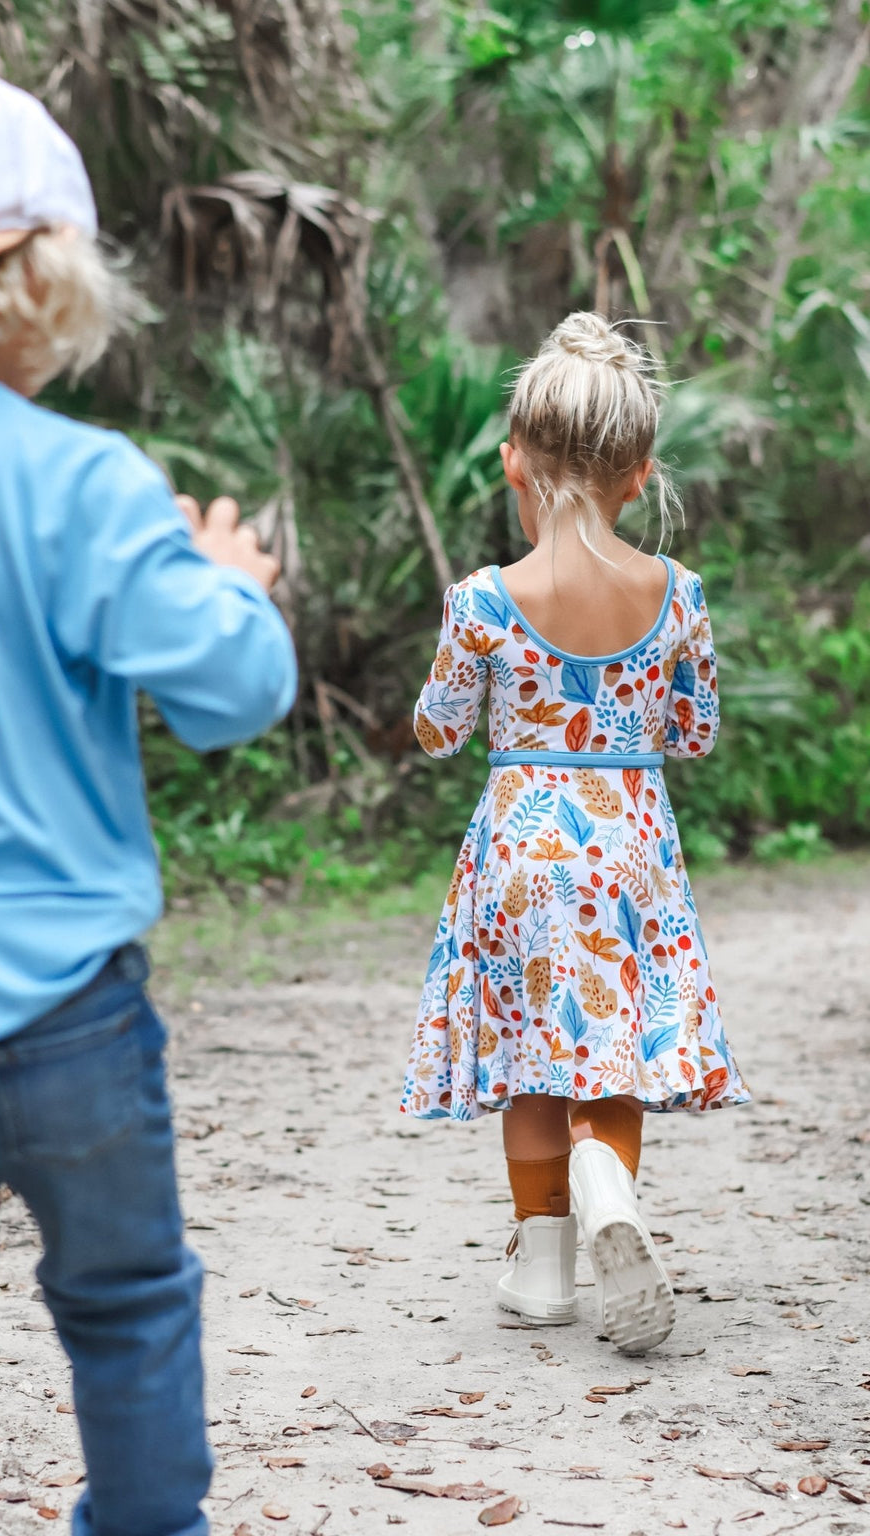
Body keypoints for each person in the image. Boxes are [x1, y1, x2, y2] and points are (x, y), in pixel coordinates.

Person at [0, 64, 296, 1536]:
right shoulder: (79, 480)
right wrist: (229, 589)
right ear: (47, 280)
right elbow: (231, 695)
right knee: (126, 1307)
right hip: (63, 1002)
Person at [401, 312, 749, 1356]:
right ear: (639, 472)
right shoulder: (675, 595)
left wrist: (465, 686)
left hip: (520, 847)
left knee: (529, 1054)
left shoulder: (481, 601)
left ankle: (543, 1267)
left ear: (514, 457)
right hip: (629, 846)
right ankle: (608, 1178)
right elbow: (693, 734)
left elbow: (436, 731)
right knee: (614, 1052)